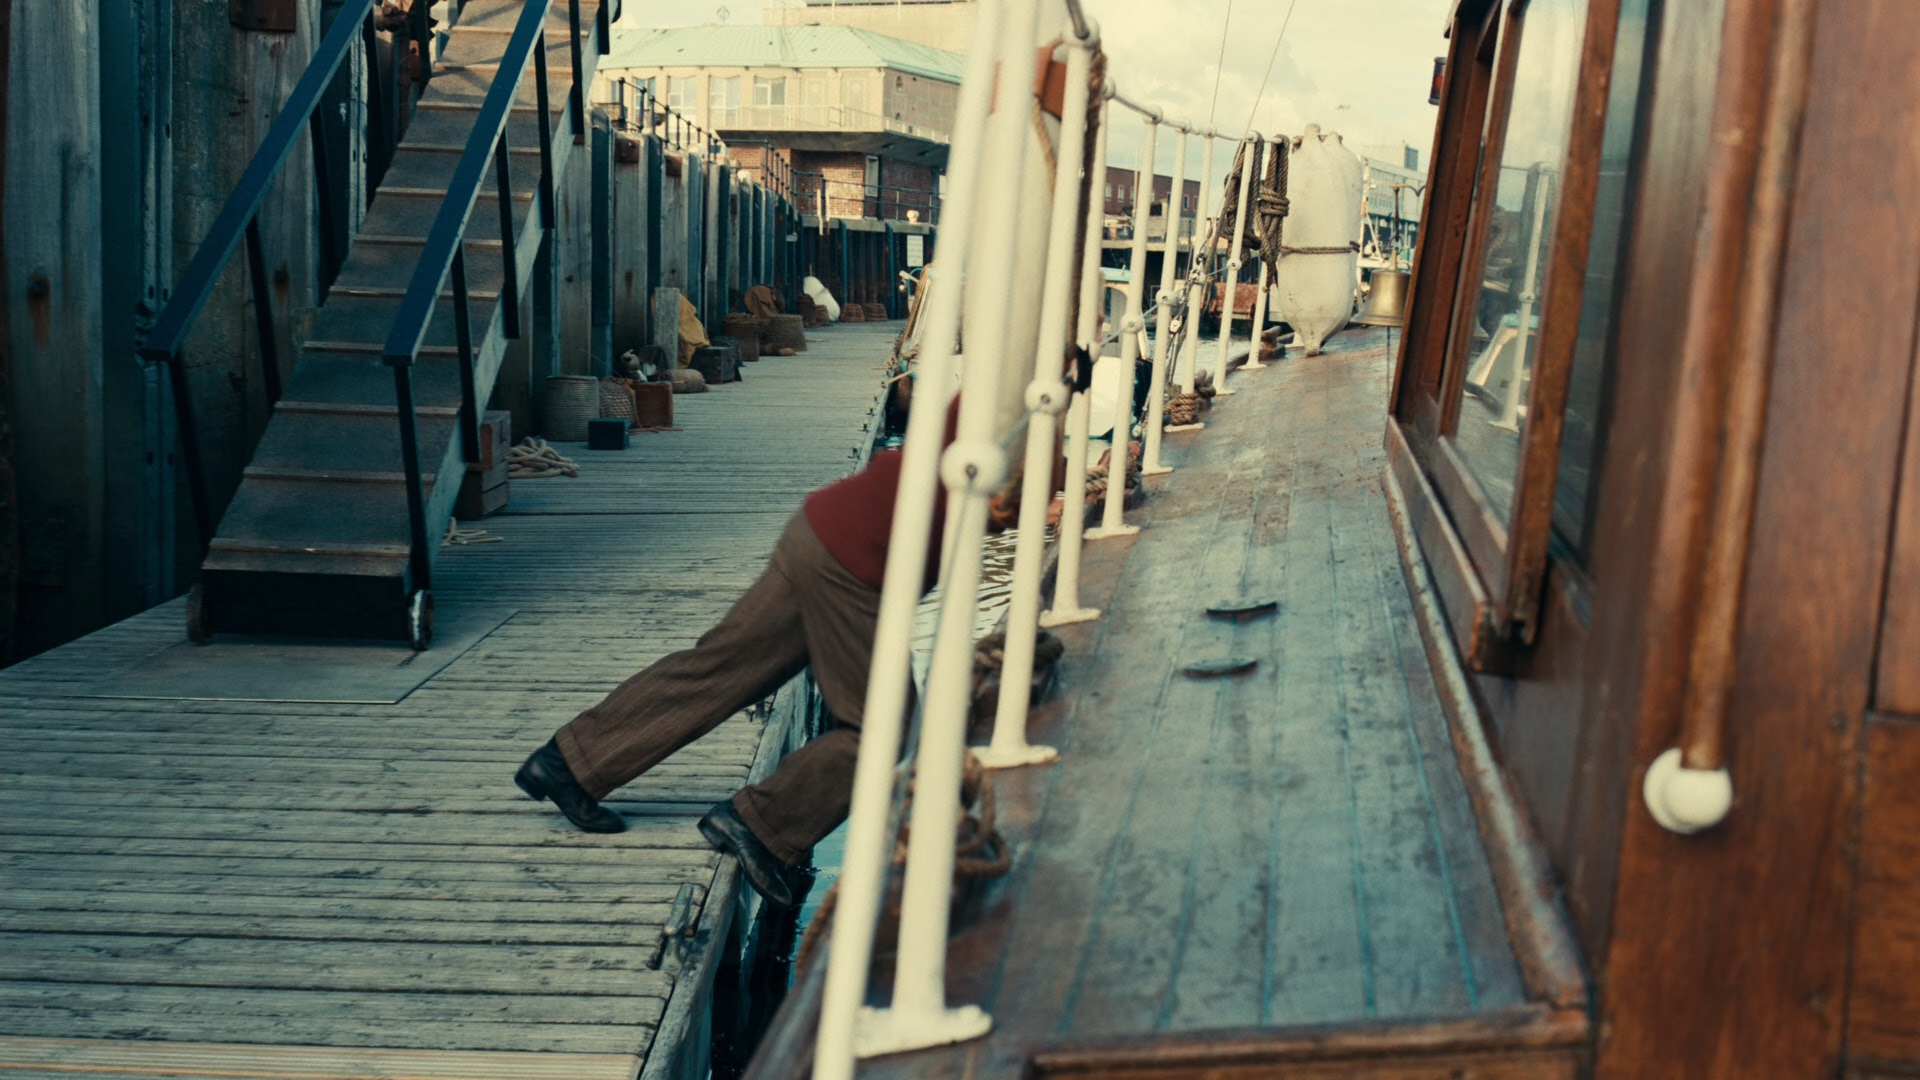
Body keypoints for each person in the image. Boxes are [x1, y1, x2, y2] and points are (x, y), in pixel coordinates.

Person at [515, 396, 975, 908]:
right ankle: (761, 824)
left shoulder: (1000, 390)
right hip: (854, 561)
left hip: (822, 528)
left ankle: (568, 762)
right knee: (884, 725)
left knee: (721, 666)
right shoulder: (1017, 399)